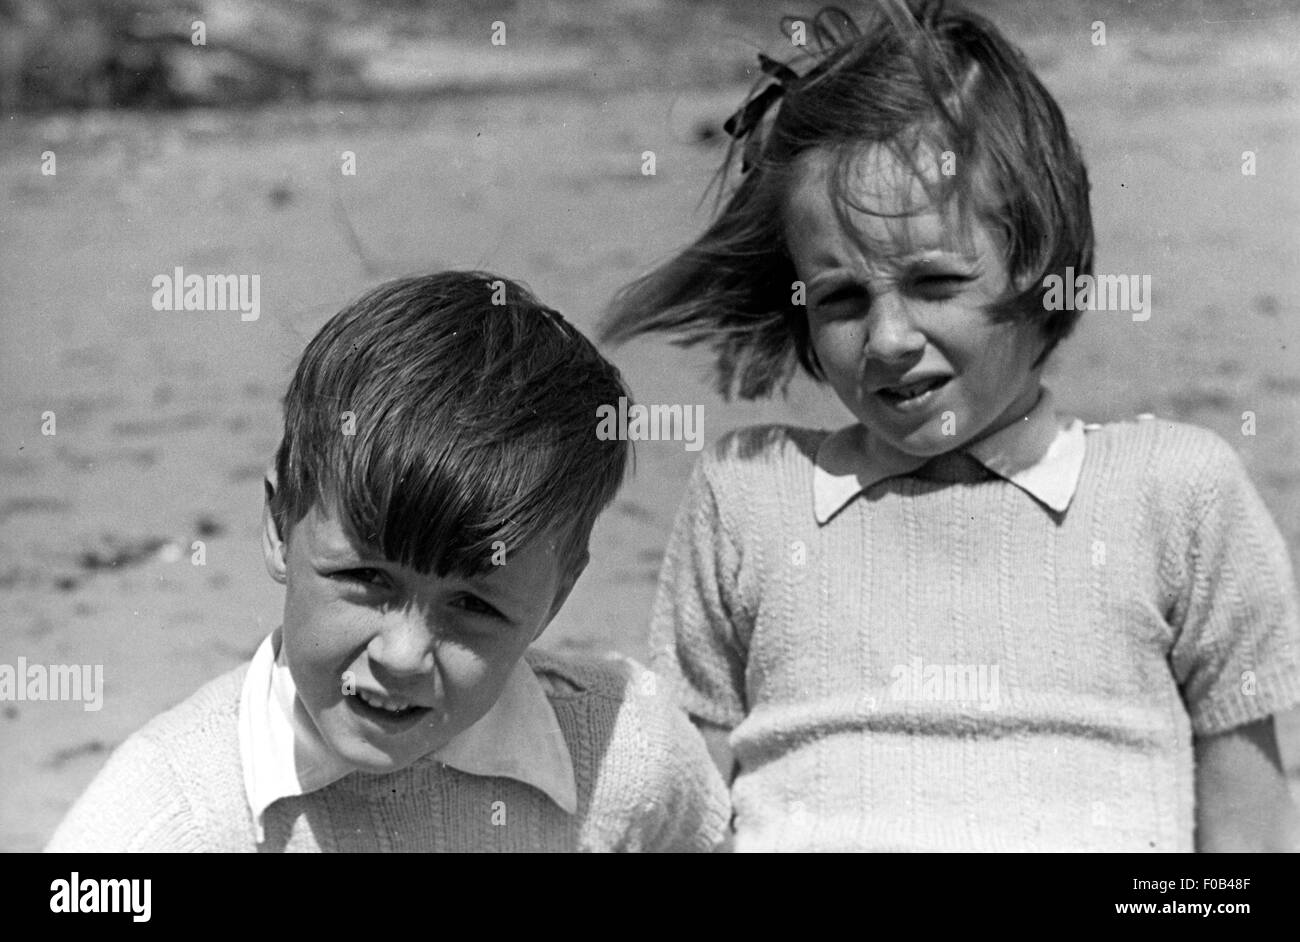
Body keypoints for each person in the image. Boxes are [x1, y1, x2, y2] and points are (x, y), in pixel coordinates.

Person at [602, 1, 1300, 851]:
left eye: (935, 284)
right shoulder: (750, 496)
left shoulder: (1174, 496)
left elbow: (1246, 837)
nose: (890, 340)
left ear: (1045, 270)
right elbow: (692, 805)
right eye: (843, 299)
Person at [48, 271, 729, 852]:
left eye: (474, 605)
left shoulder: (625, 752)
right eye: (367, 579)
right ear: (281, 523)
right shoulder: (167, 815)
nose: (403, 656)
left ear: (555, 597)